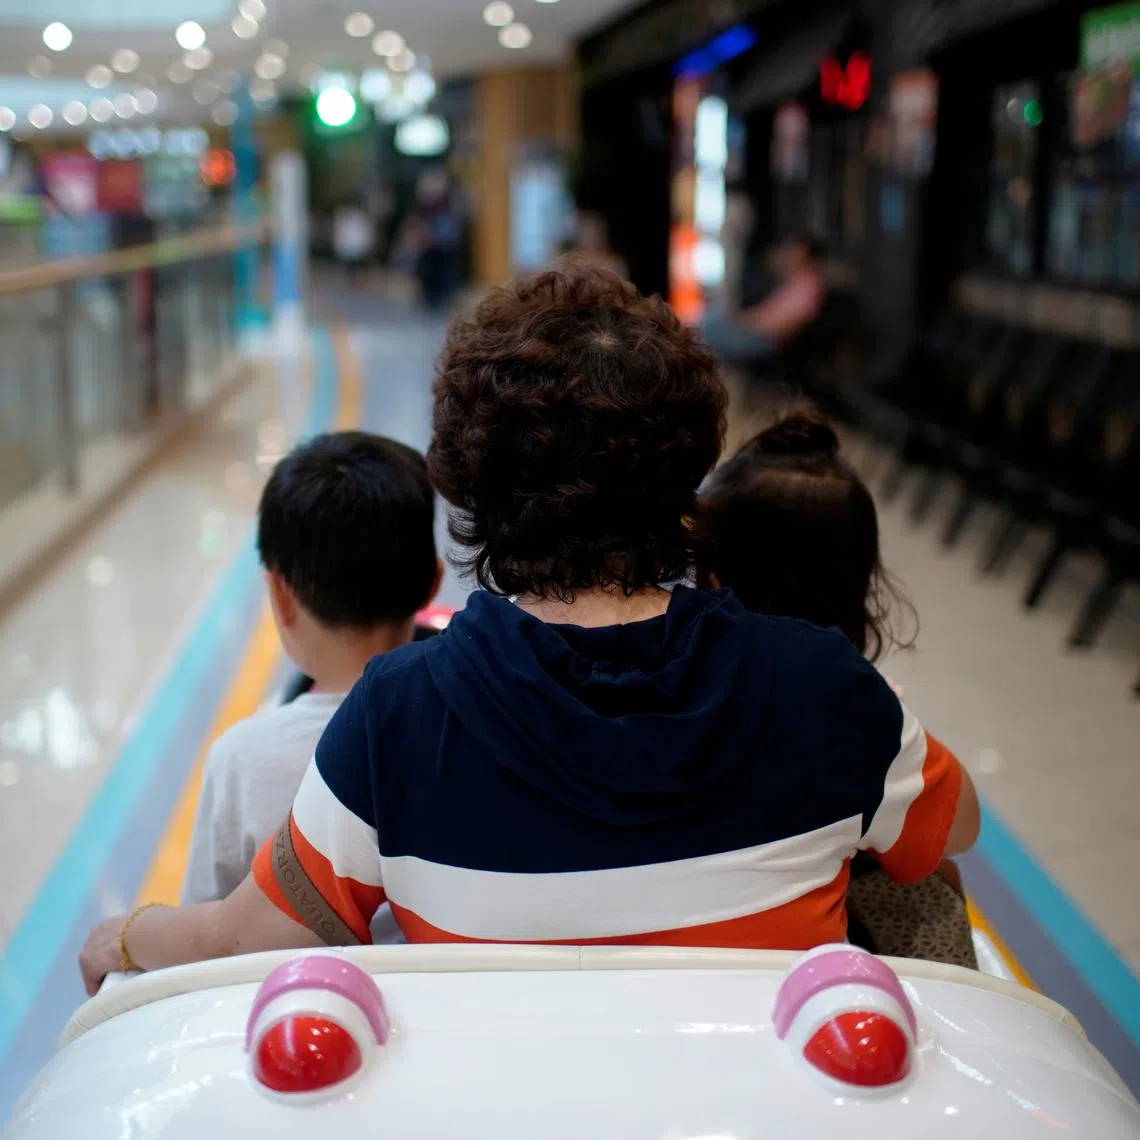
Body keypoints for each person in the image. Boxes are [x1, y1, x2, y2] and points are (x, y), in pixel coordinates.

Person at [79, 264, 978, 993]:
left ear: (472, 479)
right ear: (687, 473)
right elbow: (954, 829)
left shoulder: (398, 716)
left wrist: (122, 938)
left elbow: (241, 939)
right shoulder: (824, 689)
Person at [693, 409, 979, 965]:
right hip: (805, 974)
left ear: (713, 574)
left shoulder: (664, 676)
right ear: (864, 581)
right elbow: (961, 830)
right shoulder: (863, 709)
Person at [180, 431, 440, 920]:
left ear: (280, 597)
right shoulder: (477, 722)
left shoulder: (241, 758)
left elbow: (207, 934)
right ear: (433, 582)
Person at [702, 232, 826, 363]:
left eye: (795, 250)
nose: (789, 254)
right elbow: (766, 312)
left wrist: (748, 325)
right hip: (755, 331)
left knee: (707, 333)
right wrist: (741, 319)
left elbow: (783, 327)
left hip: (765, 340)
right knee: (711, 320)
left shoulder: (809, 287)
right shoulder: (794, 281)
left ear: (806, 254)